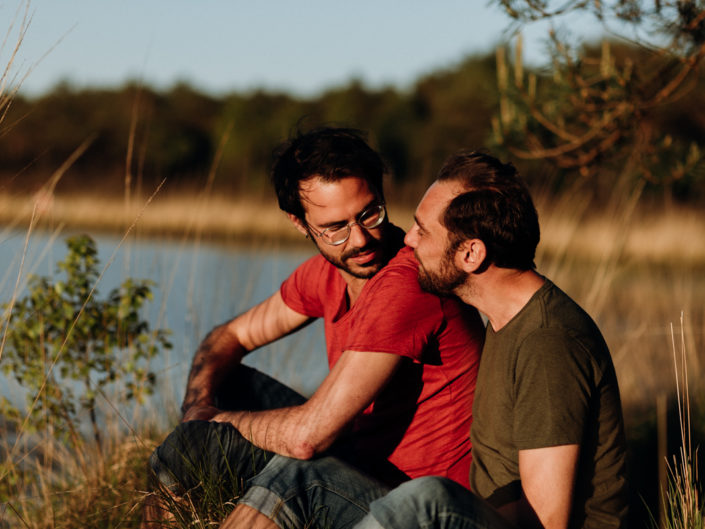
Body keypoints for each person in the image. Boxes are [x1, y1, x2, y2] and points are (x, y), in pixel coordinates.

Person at [141, 128, 485, 528]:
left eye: (370, 213)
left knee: (296, 475)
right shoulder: (325, 273)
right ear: (300, 224)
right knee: (193, 436)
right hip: (362, 465)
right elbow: (228, 337)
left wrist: (215, 421)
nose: (359, 239)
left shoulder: (407, 283)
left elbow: (308, 437)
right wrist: (196, 408)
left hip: (419, 509)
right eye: (334, 227)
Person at [352, 151, 629, 529]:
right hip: (486, 515)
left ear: (471, 253)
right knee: (306, 475)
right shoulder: (504, 320)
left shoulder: (548, 344)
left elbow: (545, 520)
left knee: (426, 500)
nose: (409, 240)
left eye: (424, 230)